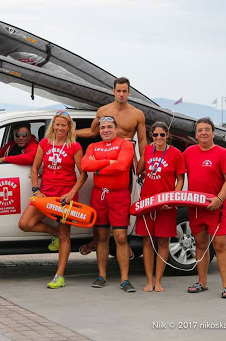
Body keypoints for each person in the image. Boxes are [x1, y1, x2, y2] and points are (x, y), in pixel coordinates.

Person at [76, 77, 146, 255]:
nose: (121, 94)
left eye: (124, 91)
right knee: (100, 201)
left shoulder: (137, 114)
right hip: (105, 157)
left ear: (129, 92)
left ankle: (123, 241)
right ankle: (96, 239)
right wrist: (69, 133)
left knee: (124, 201)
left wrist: (141, 165)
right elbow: (92, 132)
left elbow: (143, 141)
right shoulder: (103, 110)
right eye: (118, 91)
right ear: (113, 91)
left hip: (125, 160)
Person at [18, 111, 87, 288]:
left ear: (69, 127)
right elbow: (34, 169)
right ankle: (54, 233)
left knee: (66, 235)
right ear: (53, 126)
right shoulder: (45, 143)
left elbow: (83, 174)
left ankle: (59, 275)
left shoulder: (74, 147)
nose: (60, 128)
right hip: (46, 194)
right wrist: (36, 190)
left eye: (63, 125)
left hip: (65, 196)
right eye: (57, 124)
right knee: (25, 224)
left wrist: (71, 193)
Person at [81, 116, 135, 292]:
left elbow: (121, 166)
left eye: (109, 127)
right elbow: (84, 164)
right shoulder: (92, 146)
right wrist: (106, 163)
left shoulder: (125, 145)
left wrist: (97, 166)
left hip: (119, 196)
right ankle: (101, 275)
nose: (105, 130)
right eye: (102, 127)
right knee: (102, 237)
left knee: (120, 237)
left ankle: (125, 279)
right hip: (99, 195)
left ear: (116, 128)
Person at [184, 117, 226, 299]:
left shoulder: (223, 153)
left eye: (207, 129)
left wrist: (220, 199)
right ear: (196, 134)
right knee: (200, 244)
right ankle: (202, 282)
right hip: (196, 207)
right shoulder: (189, 152)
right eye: (200, 130)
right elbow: (176, 173)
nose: (203, 133)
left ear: (213, 133)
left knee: (220, 245)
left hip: (217, 207)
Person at [135, 122, 185, 292]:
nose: (158, 138)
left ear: (167, 135)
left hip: (166, 204)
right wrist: (140, 152)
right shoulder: (148, 150)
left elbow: (180, 180)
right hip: (148, 202)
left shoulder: (176, 154)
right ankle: (149, 281)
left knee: (163, 242)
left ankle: (158, 281)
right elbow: (138, 170)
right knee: (147, 241)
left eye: (162, 135)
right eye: (155, 135)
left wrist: (172, 198)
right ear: (151, 136)